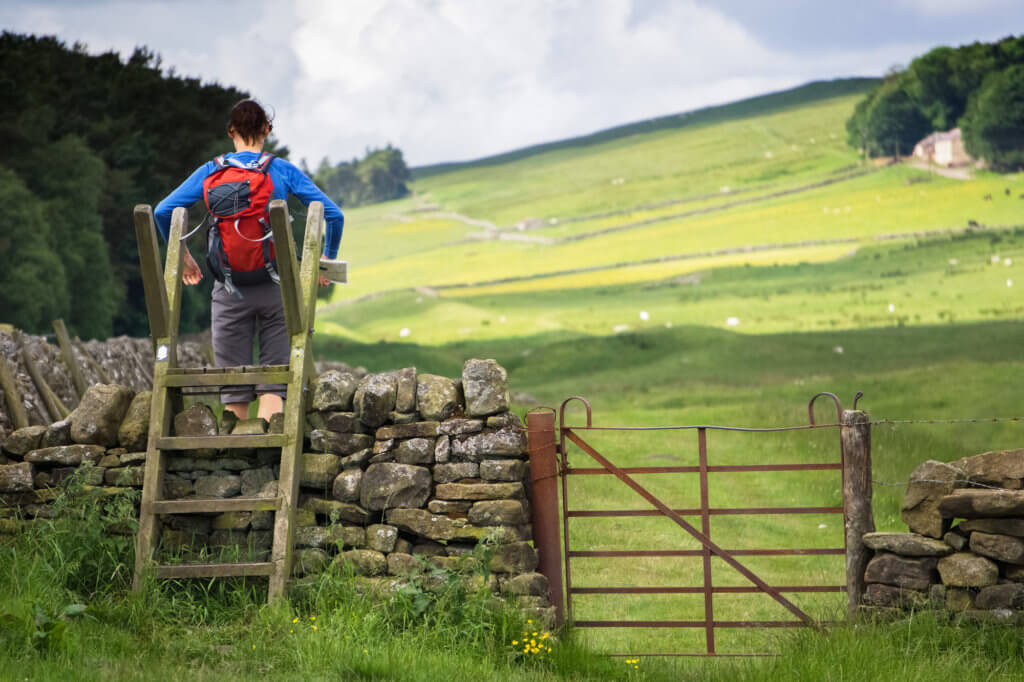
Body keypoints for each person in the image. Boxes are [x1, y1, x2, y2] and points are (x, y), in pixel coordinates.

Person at [155, 99, 343, 421]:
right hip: (278, 288)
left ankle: (238, 453)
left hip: (229, 289)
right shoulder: (280, 170)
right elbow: (334, 215)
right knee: (275, 383)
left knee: (234, 388)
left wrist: (184, 257)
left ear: (231, 132)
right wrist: (326, 260)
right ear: (267, 130)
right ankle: (270, 452)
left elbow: (162, 211)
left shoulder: (211, 171)